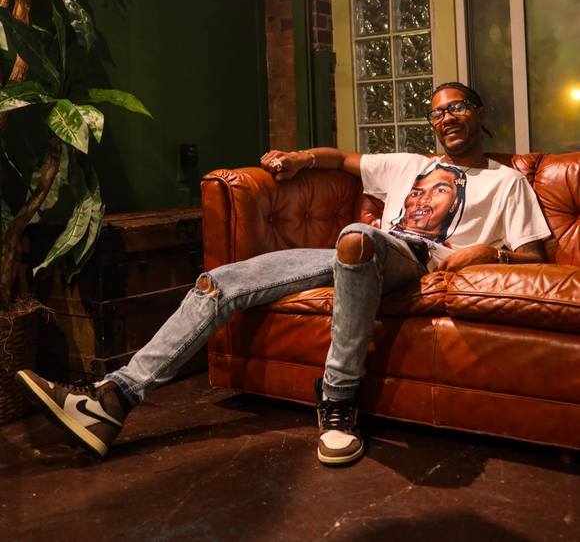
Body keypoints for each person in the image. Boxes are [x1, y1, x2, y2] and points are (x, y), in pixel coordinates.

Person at [16, 82, 551, 465]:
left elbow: (535, 258)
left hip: (414, 260)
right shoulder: (408, 164)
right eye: (436, 112)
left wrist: (485, 252)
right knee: (220, 282)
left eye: (456, 107)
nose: (445, 118)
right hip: (352, 252)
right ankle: (113, 399)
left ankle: (338, 403)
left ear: (478, 113)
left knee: (356, 236)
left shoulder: (506, 181)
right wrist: (298, 159)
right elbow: (341, 160)